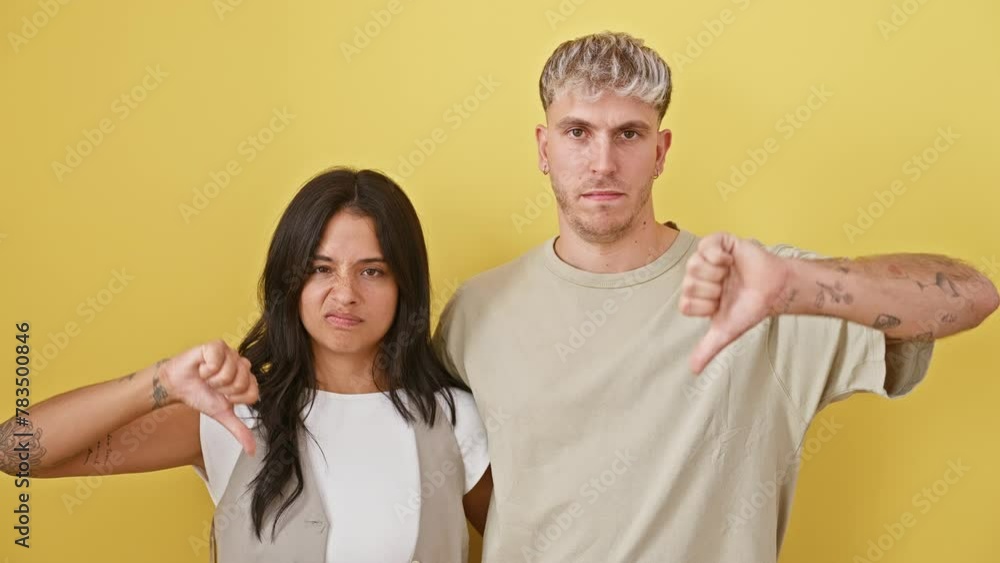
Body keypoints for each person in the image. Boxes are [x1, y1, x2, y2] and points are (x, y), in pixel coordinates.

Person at [433, 31, 999, 562]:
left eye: (628, 133)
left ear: (661, 150)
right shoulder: (476, 312)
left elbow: (972, 297)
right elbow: (449, 475)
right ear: (543, 147)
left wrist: (795, 286)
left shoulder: (762, 290)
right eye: (577, 131)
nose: (602, 162)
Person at [0, 168, 493, 562]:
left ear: (404, 285)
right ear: (289, 282)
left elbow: (539, 546)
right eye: (321, 269)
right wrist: (161, 381)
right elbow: (16, 451)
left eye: (372, 271)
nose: (345, 293)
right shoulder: (233, 413)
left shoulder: (452, 421)